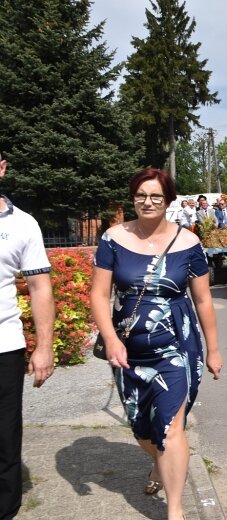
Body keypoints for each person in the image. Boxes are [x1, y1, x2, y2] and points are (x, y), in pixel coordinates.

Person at [90, 168, 222, 520]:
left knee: (170, 425)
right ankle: (159, 465)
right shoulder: (113, 239)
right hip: (128, 349)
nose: (147, 202)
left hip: (177, 346)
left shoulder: (189, 243)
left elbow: (204, 300)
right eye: (141, 195)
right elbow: (100, 294)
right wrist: (110, 338)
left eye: (156, 197)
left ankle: (175, 512)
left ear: (168, 201)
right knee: (143, 430)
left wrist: (214, 348)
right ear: (133, 197)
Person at [0, 153, 55, 519]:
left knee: (5, 438)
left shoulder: (23, 224)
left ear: (2, 167)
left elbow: (39, 286)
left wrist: (45, 347)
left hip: (4, 345)